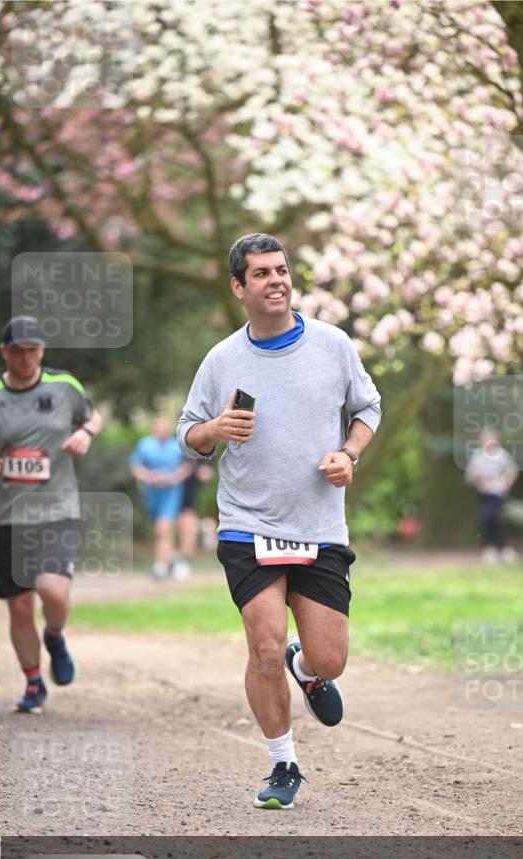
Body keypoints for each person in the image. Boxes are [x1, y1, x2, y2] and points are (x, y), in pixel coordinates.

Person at [177, 233, 381, 809]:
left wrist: (349, 453)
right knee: (263, 647)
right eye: (262, 273)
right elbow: (187, 435)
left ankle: (308, 668)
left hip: (319, 525)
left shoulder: (332, 345)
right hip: (247, 523)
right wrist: (213, 431)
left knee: (330, 658)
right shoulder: (222, 360)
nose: (277, 281)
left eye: (282, 270)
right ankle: (283, 764)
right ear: (239, 286)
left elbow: (368, 406)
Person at [0, 316, 102, 713]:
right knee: (19, 604)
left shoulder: (65, 387)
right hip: (5, 514)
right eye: (18, 350)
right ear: (5, 352)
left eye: (33, 349)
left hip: (55, 508)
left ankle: (54, 635)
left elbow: (92, 416)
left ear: (42, 350)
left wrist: (85, 433)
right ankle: (34, 683)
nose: (26, 357)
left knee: (53, 589)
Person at [129, 417, 192, 580]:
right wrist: (148, 476)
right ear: (154, 427)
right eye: (159, 426)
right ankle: (171, 560)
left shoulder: (177, 445)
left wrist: (173, 478)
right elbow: (135, 467)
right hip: (151, 493)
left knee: (163, 528)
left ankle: (160, 566)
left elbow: (187, 466)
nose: (162, 429)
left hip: (171, 492)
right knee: (158, 530)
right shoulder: (145, 445)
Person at [465, 428, 518, 563]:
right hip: (484, 494)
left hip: (498, 493)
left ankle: (497, 548)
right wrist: (477, 477)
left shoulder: (502, 455)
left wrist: (506, 484)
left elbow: (512, 471)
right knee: (493, 521)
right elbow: (469, 477)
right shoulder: (477, 456)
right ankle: (499, 549)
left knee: (487, 517)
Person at [174, 461, 215, 578]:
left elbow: (206, 473)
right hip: (167, 496)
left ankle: (183, 561)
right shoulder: (173, 448)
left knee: (188, 529)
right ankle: (171, 561)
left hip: (188, 500)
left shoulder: (197, 453)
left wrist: (191, 471)